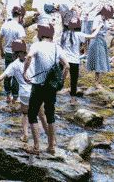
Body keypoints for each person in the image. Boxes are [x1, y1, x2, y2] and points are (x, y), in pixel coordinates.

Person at [0, 40, 48, 143]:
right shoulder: (33, 59)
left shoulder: (14, 65)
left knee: (25, 115)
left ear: (15, 52)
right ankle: (49, 137)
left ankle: (25, 136)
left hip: (25, 93)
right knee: (42, 115)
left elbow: (0, 78)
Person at [23, 24, 70, 155]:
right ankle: (51, 147)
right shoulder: (57, 47)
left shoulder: (36, 45)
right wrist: (61, 81)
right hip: (51, 87)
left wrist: (24, 72)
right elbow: (67, 66)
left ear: (41, 34)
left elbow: (28, 57)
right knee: (50, 116)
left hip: (38, 86)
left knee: (32, 114)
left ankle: (37, 147)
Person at [60, 16, 100, 103]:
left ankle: (54, 95)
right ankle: (73, 100)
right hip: (74, 61)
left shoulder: (64, 33)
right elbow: (92, 36)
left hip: (63, 61)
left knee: (58, 78)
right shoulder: (79, 34)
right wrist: (99, 27)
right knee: (73, 81)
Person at [0, 6, 27, 106]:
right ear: (20, 16)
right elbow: (22, 42)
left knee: (7, 74)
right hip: (17, 54)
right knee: (16, 76)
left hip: (7, 53)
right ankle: (15, 98)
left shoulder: (5, 25)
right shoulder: (19, 27)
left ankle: (7, 96)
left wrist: (2, 51)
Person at [86, 5, 114, 85]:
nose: (109, 17)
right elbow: (93, 29)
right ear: (104, 13)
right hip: (96, 40)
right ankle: (97, 83)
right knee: (98, 61)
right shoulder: (97, 18)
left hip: (102, 40)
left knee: (102, 61)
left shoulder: (105, 19)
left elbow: (106, 27)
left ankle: (98, 82)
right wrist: (99, 26)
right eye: (108, 15)